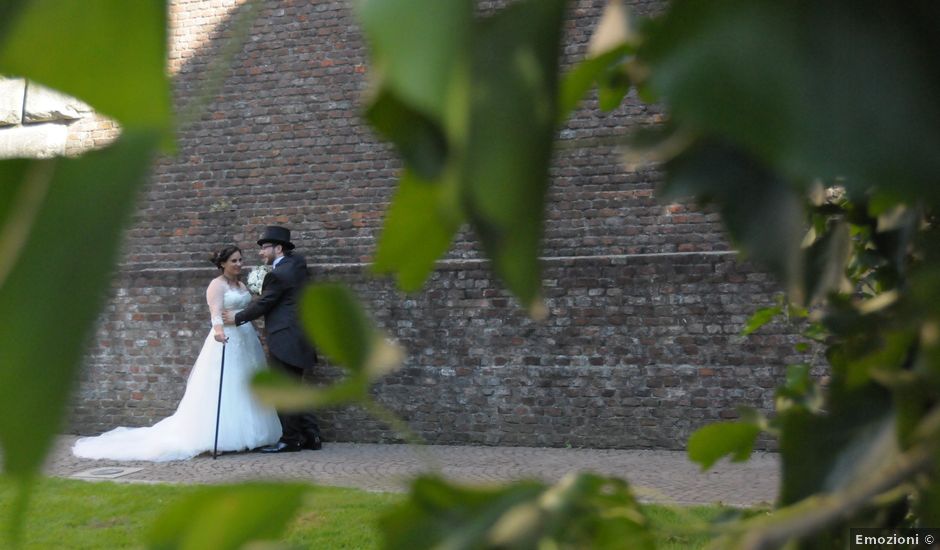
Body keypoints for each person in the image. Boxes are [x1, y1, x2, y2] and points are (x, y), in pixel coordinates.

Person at [72, 246, 282, 461]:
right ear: (222, 264)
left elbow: (247, 309)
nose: (239, 264)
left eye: (240, 260)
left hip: (246, 338)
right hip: (226, 339)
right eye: (234, 261)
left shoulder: (241, 284)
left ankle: (253, 434)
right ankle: (217, 437)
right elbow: (215, 314)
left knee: (246, 383)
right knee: (226, 384)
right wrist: (219, 332)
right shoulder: (216, 286)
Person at [224, 226, 323, 453]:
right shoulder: (297, 265)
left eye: (264, 247)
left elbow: (264, 304)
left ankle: (290, 440)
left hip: (284, 337)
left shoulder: (279, 274)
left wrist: (237, 317)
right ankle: (312, 435)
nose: (260, 252)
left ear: (278, 248)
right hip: (300, 336)